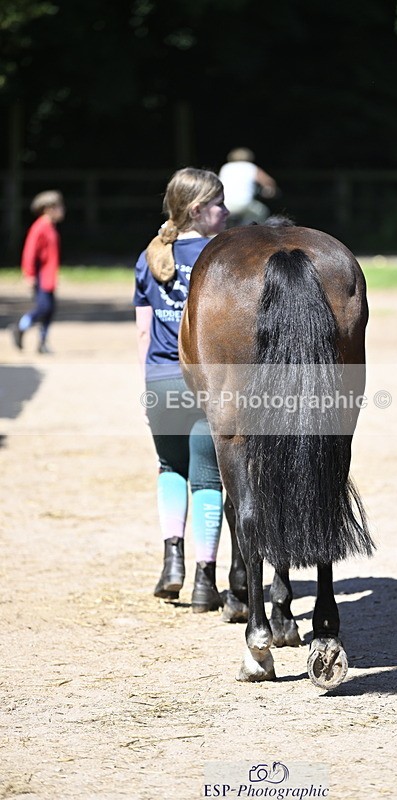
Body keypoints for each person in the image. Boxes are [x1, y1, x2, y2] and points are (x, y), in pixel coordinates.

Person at [133, 168, 229, 611]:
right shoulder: (220, 257)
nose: (225, 211)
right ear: (197, 210)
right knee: (208, 479)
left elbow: (142, 333)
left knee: (170, 468)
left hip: (159, 380)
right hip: (204, 382)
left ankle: (172, 562)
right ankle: (205, 582)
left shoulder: (149, 256)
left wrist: (148, 387)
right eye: (219, 204)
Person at [11, 190, 65, 354]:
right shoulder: (39, 228)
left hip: (49, 276)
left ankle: (42, 341)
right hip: (41, 276)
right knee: (43, 308)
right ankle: (21, 326)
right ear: (48, 209)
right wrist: (29, 274)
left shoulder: (50, 227)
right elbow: (30, 252)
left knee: (50, 309)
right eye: (59, 207)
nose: (62, 210)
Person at [219, 147, 277, 226]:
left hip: (226, 204)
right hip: (244, 203)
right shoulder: (251, 167)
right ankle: (252, 231)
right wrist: (269, 190)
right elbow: (269, 182)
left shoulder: (225, 167)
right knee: (262, 212)